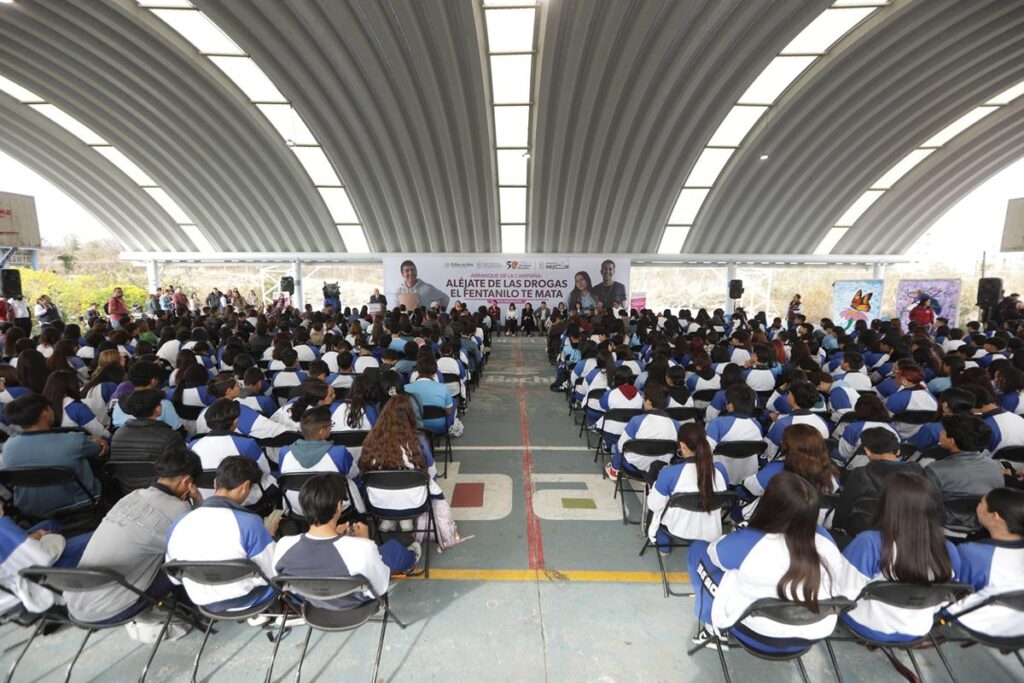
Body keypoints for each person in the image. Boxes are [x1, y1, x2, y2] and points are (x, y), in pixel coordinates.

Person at [687, 472, 849, 651]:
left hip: (756, 634)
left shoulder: (751, 541)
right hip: (811, 634)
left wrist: (739, 535)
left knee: (698, 550)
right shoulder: (826, 540)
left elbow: (714, 555)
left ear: (769, 504)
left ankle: (712, 628)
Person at [66, 447, 202, 625]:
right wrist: (198, 502)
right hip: (112, 608)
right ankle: (196, 611)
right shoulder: (179, 509)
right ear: (187, 481)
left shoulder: (131, 497)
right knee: (183, 564)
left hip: (75, 602)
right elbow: (202, 543)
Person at [841, 471, 961, 643]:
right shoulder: (948, 549)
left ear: (886, 504)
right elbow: (943, 599)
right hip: (918, 629)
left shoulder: (870, 543)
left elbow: (844, 594)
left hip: (866, 625)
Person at [273, 475, 419, 606]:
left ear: (303, 509)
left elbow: (280, 582)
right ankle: (412, 558)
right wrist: (365, 541)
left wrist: (337, 536)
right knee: (393, 549)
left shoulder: (283, 545)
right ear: (338, 508)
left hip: (312, 603)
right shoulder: (362, 549)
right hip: (355, 605)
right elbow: (379, 586)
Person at [165, 457, 280, 613]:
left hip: (204, 603)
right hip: (249, 598)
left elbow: (174, 577)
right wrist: (268, 538)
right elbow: (272, 573)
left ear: (214, 483)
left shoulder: (178, 523)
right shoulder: (248, 523)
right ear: (246, 486)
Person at [1, 393, 108, 520]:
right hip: (80, 505)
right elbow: (101, 450)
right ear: (45, 414)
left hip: (31, 512)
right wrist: (99, 441)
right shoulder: (74, 440)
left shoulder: (8, 447)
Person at [947, 487, 1024, 639]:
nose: (978, 505)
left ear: (995, 516)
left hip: (984, 624)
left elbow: (953, 589)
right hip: (1019, 625)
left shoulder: (973, 553)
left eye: (981, 502)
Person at [646, 423, 730, 553]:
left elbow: (654, 505)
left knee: (656, 497)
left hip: (678, 529)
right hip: (710, 532)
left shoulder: (669, 473)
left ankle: (664, 545)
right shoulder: (720, 470)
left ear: (682, 445)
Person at [188, 399, 278, 511]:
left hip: (203, 500)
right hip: (244, 501)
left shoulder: (193, 445)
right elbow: (264, 473)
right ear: (235, 421)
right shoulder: (246, 444)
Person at [833, 428, 924, 538]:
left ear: (867, 451)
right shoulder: (916, 470)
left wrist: (836, 528)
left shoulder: (861, 474)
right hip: (911, 530)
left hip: (866, 531)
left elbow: (844, 507)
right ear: (898, 450)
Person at [0, 508, 92, 614]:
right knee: (93, 538)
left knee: (49, 524)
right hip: (39, 579)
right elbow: (44, 558)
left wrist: (29, 538)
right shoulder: (2, 528)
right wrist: (47, 537)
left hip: (14, 577)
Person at [926, 414, 1005, 534]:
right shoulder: (995, 467)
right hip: (984, 529)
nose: (940, 433)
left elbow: (925, 506)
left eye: (943, 431)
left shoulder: (934, 470)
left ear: (951, 441)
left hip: (943, 530)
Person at [279, 407, 364, 516]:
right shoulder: (338, 453)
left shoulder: (285, 452)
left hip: (298, 506)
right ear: (322, 431)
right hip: (332, 507)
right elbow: (354, 473)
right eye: (330, 426)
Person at [109, 389, 187, 491]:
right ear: (158, 409)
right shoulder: (170, 437)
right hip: (162, 492)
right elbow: (182, 468)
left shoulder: (117, 436)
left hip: (126, 490)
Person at [606, 384, 679, 481]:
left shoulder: (637, 421)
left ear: (648, 402)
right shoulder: (676, 425)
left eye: (643, 398)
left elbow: (621, 446)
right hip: (660, 468)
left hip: (633, 467)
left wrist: (614, 467)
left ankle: (614, 471)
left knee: (615, 447)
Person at [404, 355, 454, 435]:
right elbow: (448, 411)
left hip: (413, 425)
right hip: (438, 426)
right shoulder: (443, 388)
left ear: (418, 371)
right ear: (434, 373)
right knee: (452, 403)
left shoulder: (405, 388)